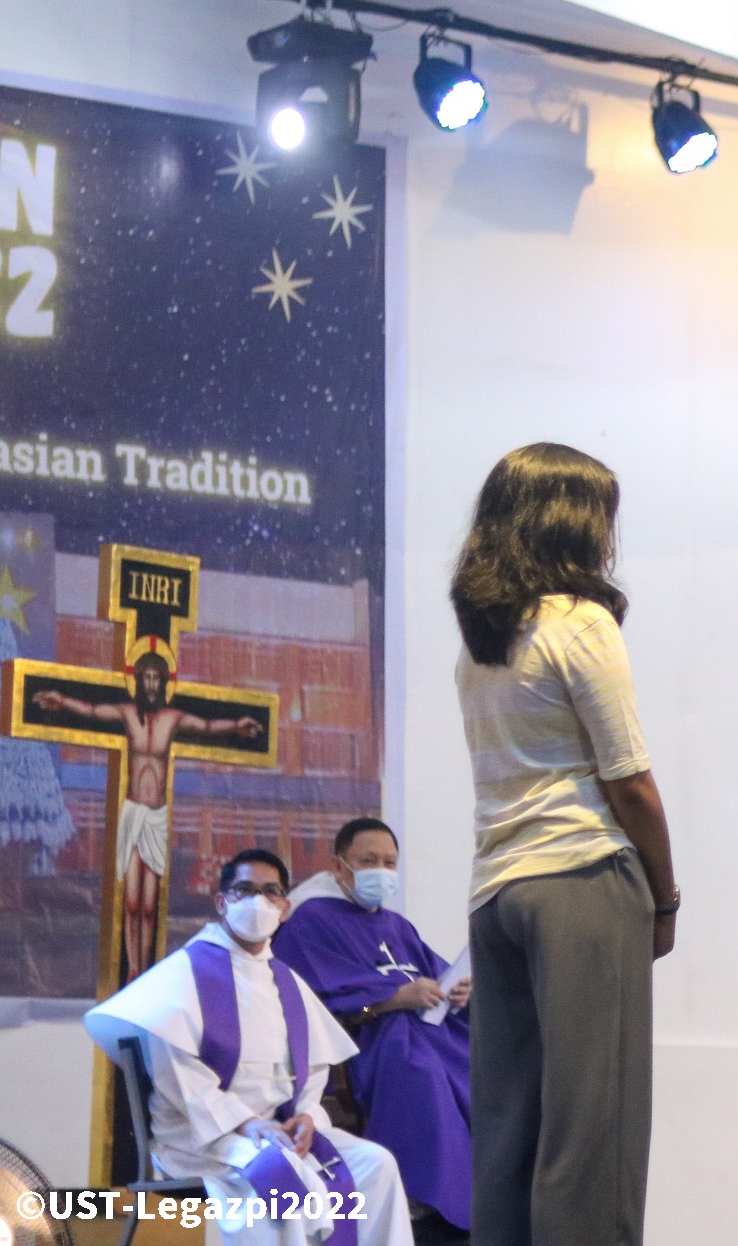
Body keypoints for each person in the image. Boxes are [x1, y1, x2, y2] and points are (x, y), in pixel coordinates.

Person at [451, 443, 678, 1246]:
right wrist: (666, 897)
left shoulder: (481, 647)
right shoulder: (580, 623)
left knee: (508, 1133)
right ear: (571, 521)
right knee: (593, 1137)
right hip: (582, 881)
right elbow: (630, 781)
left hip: (497, 893)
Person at [82, 848, 414, 1246]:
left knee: (376, 1163)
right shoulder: (183, 975)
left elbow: (313, 1069)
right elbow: (180, 1079)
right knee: (282, 1175)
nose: (259, 901)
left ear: (284, 908)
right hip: (204, 1137)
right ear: (222, 902)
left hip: (280, 1131)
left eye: (271, 891)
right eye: (245, 890)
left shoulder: (286, 981)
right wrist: (248, 1124)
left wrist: (307, 1116)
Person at [274, 817, 472, 1237]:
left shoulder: (397, 925)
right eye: (368, 861)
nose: (380, 870)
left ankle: (486, 1197)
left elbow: (436, 976)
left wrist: (457, 991)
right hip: (372, 1041)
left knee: (490, 1068)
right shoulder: (310, 921)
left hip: (432, 1033)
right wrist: (394, 999)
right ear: (339, 866)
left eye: (389, 862)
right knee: (422, 1074)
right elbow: (309, 1000)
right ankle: (425, 1201)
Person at [36, 646, 264, 980]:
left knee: (148, 905)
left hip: (156, 815)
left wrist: (236, 725)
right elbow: (93, 711)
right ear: (138, 681)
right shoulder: (127, 714)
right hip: (132, 813)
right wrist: (62, 701)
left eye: (157, 678)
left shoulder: (172, 719)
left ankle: (144, 967)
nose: (152, 684)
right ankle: (132, 967)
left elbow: (206, 725)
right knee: (129, 901)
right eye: (147, 677)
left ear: (164, 683)